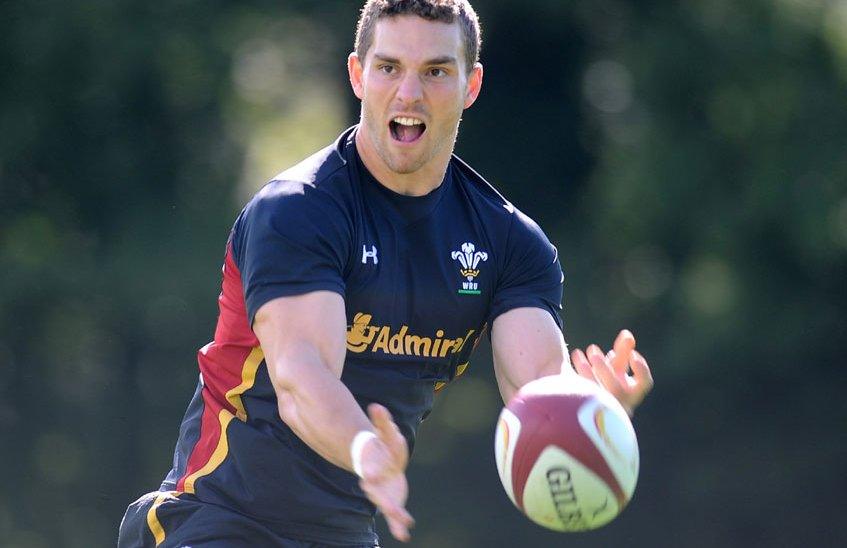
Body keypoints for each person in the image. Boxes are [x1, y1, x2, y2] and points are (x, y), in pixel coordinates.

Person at [118, 0, 653, 546]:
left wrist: (589, 413)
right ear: (357, 74)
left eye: (437, 71)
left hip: (346, 532)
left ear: (472, 85)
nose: (409, 94)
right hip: (217, 520)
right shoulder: (300, 210)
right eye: (389, 67)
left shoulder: (511, 244)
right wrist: (364, 447)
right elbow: (301, 380)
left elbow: (535, 388)